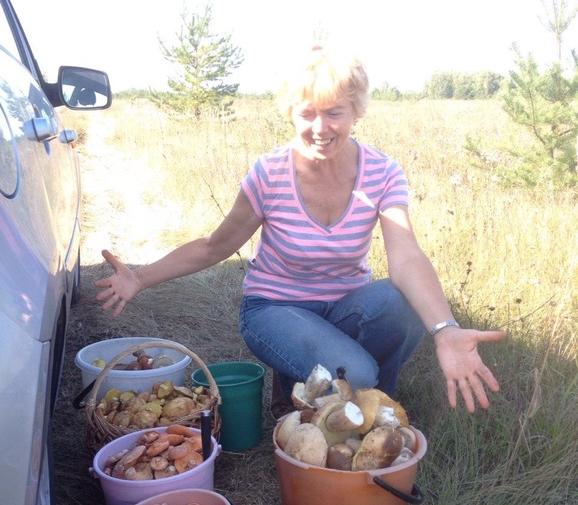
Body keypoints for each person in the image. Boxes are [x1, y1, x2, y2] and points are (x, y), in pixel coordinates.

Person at [95, 44, 506, 415]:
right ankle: (339, 390)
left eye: (335, 113)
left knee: (402, 301)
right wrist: (140, 278)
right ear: (290, 112)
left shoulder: (382, 172)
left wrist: (445, 329)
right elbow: (214, 246)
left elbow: (407, 256)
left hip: (345, 307)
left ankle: (366, 406)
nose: (320, 128)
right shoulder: (270, 173)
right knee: (357, 372)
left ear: (356, 111)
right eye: (307, 113)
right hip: (275, 309)